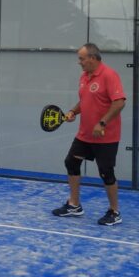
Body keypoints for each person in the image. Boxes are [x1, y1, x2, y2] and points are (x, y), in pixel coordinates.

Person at [51, 43, 127, 226]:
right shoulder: (84, 76)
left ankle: (114, 211)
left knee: (106, 172)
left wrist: (102, 123)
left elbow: (119, 102)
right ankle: (74, 205)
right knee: (71, 162)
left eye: (82, 58)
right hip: (85, 135)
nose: (79, 62)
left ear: (92, 58)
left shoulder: (109, 75)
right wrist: (72, 112)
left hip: (106, 136)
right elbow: (85, 100)